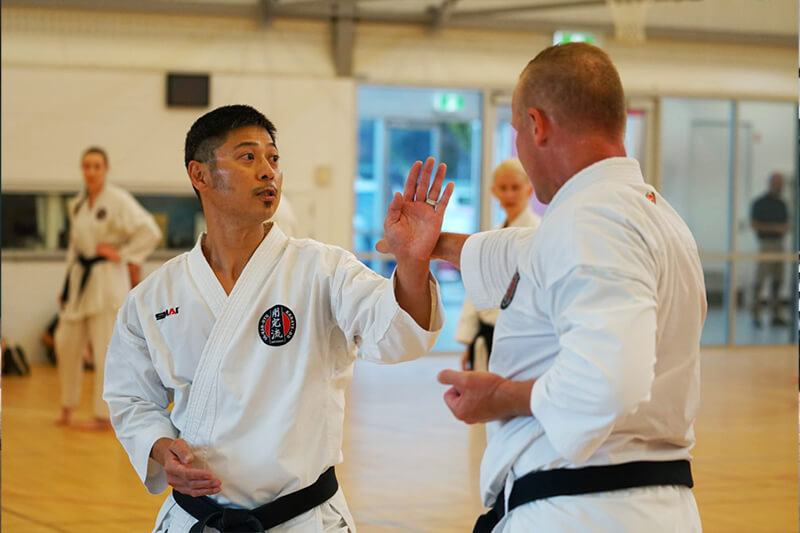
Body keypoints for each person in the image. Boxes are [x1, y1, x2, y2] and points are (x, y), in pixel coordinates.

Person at [381, 42, 706, 532]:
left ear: (538, 125)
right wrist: (433, 245)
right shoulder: (650, 212)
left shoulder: (593, 218)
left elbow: (610, 381)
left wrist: (503, 397)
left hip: (584, 509)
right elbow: (522, 257)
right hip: (634, 505)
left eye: (515, 130)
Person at [103, 104, 453, 533]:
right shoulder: (154, 297)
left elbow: (400, 335)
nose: (268, 171)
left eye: (273, 158)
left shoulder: (322, 270)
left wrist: (413, 265)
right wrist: (158, 447)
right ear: (200, 175)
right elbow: (130, 398)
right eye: (248, 157)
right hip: (197, 518)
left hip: (301, 519)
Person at [55, 147, 161, 429]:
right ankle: (68, 406)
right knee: (65, 342)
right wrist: (66, 288)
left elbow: (150, 231)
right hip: (81, 280)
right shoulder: (78, 203)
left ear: (105, 169)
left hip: (107, 280)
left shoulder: (118, 200)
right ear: (82, 169)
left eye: (96, 166)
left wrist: (124, 255)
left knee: (104, 349)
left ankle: (104, 417)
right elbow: (74, 248)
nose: (91, 172)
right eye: (87, 166)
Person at [455, 158, 540, 371]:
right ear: (494, 192)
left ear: (529, 190)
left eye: (515, 187)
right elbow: (476, 287)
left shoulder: (540, 232)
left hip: (521, 338)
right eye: (503, 188)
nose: (509, 194)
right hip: (486, 333)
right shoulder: (492, 234)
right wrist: (468, 340)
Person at [750, 171, 790, 328]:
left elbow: (786, 226)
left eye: (781, 182)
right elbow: (755, 224)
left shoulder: (782, 204)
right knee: (759, 282)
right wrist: (776, 228)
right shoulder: (759, 203)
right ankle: (756, 314)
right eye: (776, 182)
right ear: (770, 183)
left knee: (778, 282)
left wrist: (781, 229)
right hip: (766, 245)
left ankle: (776, 315)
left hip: (780, 245)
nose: (779, 185)